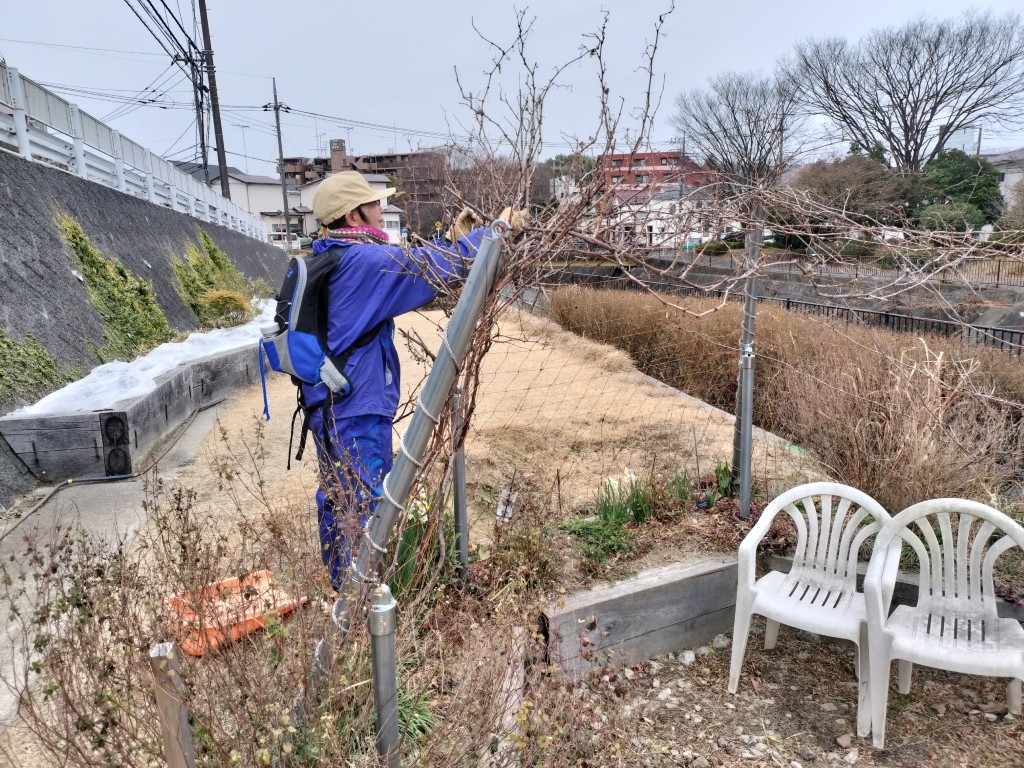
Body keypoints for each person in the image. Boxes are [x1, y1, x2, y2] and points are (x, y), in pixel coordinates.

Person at [305, 171, 486, 590]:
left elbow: (407, 264)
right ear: (353, 216)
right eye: (374, 204)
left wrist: (450, 241)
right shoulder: (363, 262)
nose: (381, 209)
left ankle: (342, 592)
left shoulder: (330, 256)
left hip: (328, 406)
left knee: (338, 497)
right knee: (365, 507)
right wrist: (490, 235)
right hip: (357, 410)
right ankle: (363, 603)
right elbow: (428, 269)